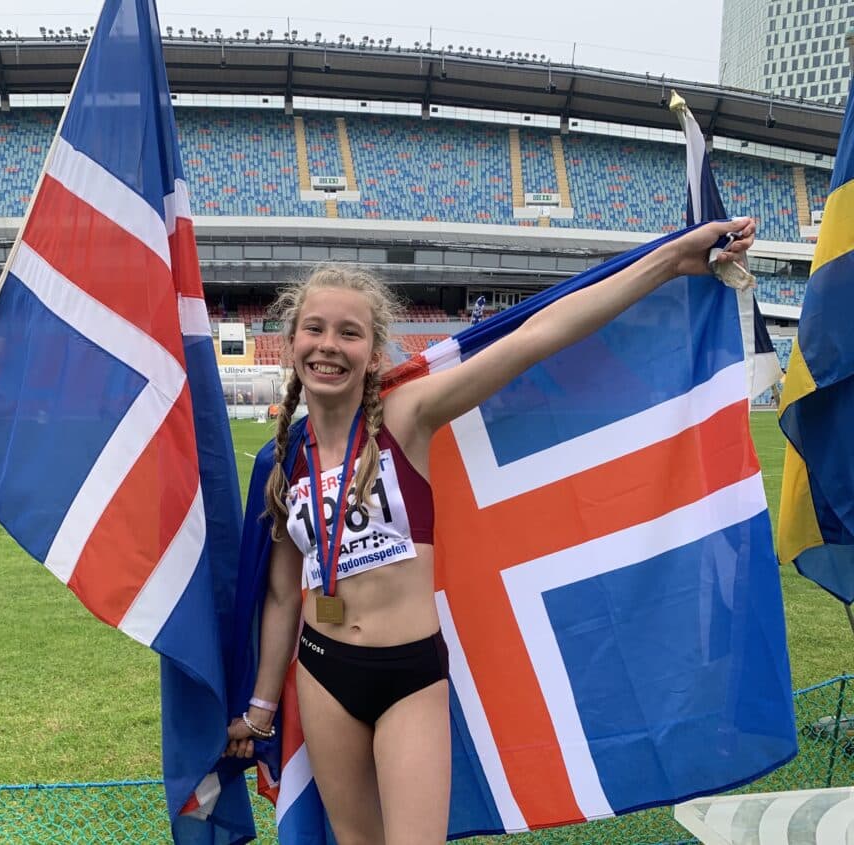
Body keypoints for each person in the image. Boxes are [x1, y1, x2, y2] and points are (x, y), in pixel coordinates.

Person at [225, 218, 756, 845]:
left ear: (374, 352)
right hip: (323, 670)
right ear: (290, 343)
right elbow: (282, 594)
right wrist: (261, 708)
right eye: (314, 329)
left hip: (408, 676)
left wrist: (669, 262)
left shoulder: (407, 416)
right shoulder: (282, 458)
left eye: (350, 332)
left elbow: (533, 339)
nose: (329, 346)